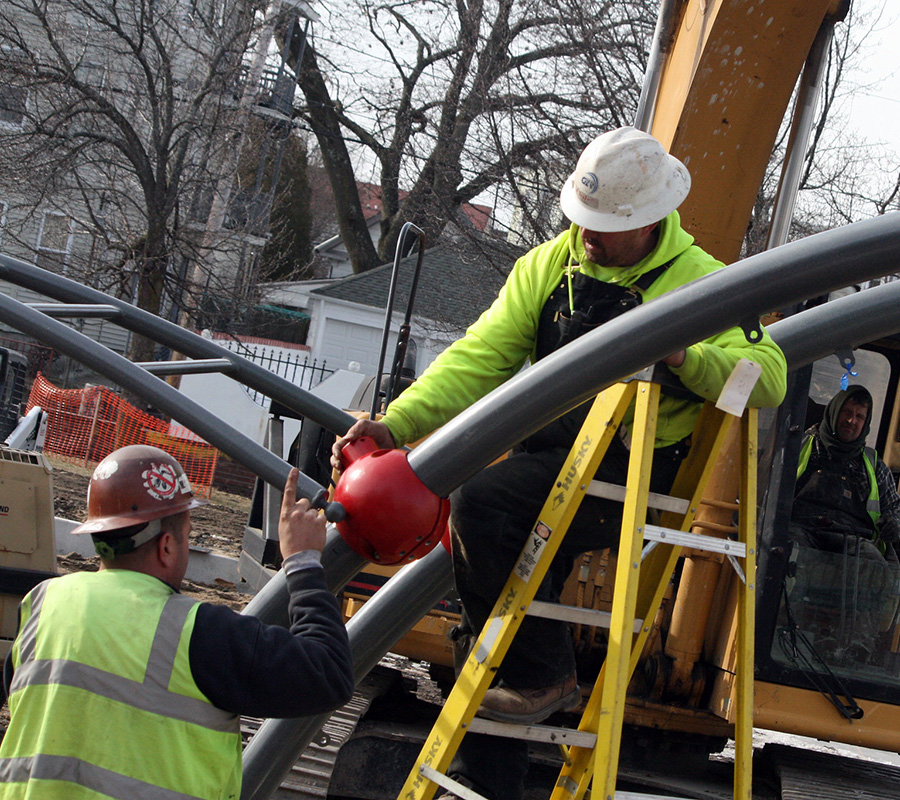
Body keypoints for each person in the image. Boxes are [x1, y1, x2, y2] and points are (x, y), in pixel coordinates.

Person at [332, 127, 787, 800]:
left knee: (483, 509)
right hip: (551, 460)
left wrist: (689, 359)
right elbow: (477, 360)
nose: (589, 236)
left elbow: (768, 380)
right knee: (482, 629)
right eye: (582, 220)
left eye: (604, 227)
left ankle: (548, 672)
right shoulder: (551, 267)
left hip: (630, 476)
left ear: (652, 219)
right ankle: (500, 781)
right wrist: (396, 423)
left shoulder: (703, 286)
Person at [0, 444, 354, 799]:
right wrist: (303, 562)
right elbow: (327, 674)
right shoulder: (198, 632)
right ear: (167, 545)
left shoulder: (42, 603)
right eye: (187, 535)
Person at [788, 385, 900, 663]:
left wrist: (894, 524)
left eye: (860, 416)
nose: (852, 421)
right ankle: (785, 632)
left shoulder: (873, 465)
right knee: (786, 551)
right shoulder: (801, 446)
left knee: (874, 561)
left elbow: (894, 510)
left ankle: (853, 646)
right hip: (802, 529)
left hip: (849, 537)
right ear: (834, 412)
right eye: (847, 413)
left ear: (866, 423)